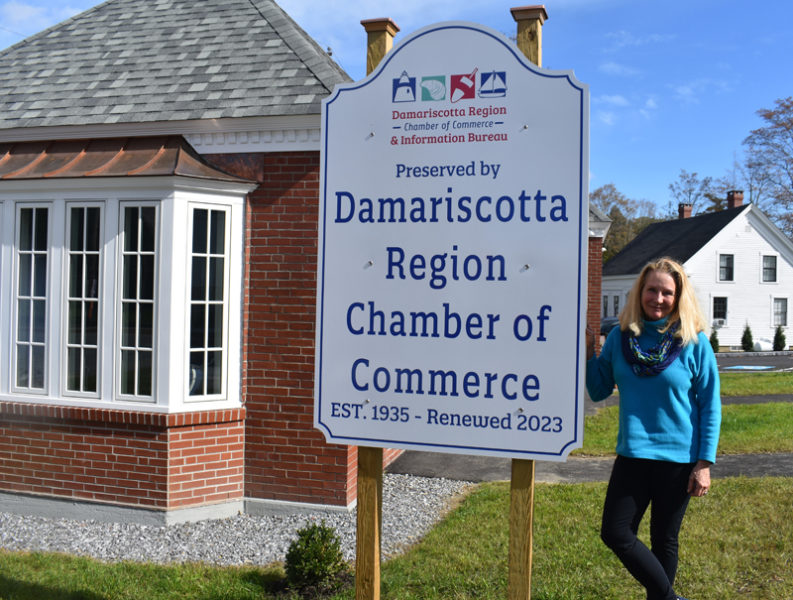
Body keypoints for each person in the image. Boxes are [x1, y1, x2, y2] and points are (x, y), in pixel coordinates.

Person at [586, 257, 721, 600]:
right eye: (652, 290)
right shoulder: (621, 338)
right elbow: (599, 389)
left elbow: (710, 404)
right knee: (615, 532)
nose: (658, 298)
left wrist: (704, 464)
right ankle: (671, 598)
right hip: (634, 454)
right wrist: (590, 351)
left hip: (679, 460)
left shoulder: (693, 342)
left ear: (678, 297)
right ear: (640, 292)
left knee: (665, 539)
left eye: (667, 292)